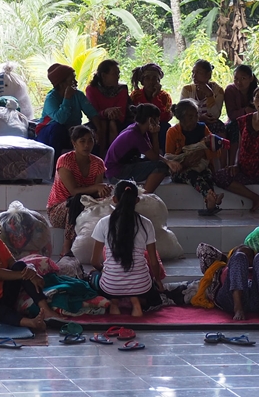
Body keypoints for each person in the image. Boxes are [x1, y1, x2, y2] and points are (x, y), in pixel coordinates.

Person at [89, 181, 165, 316]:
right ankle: (135, 300)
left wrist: (104, 270)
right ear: (137, 200)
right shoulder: (146, 224)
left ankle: (114, 301)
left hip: (110, 286)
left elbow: (94, 261)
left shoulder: (104, 223)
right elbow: (154, 262)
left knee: (93, 276)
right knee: (151, 293)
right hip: (142, 286)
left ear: (114, 199)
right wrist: (158, 280)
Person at [46, 126, 111, 254]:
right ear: (74, 143)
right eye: (82, 141)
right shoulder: (65, 161)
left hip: (85, 206)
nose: (87, 145)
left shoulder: (98, 163)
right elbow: (73, 191)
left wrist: (104, 190)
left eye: (90, 141)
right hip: (60, 210)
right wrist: (97, 188)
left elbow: (96, 193)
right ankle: (66, 246)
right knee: (75, 201)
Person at [164, 99, 224, 216]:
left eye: (196, 115)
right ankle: (210, 197)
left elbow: (217, 151)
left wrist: (202, 154)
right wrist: (186, 162)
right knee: (191, 174)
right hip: (181, 170)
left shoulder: (202, 128)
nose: (195, 119)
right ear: (181, 118)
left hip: (201, 167)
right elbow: (169, 159)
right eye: (191, 116)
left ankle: (210, 202)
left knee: (207, 175)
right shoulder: (172, 132)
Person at [104, 104, 179, 194]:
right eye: (157, 120)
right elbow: (154, 157)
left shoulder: (138, 129)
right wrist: (155, 135)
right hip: (116, 173)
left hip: (121, 167)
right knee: (160, 167)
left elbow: (152, 153)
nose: (159, 123)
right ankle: (144, 196)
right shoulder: (134, 135)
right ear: (151, 120)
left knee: (162, 163)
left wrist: (168, 161)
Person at [36, 64, 99, 157]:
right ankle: (55, 165)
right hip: (50, 133)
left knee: (90, 130)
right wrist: (67, 98)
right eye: (72, 80)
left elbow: (92, 114)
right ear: (62, 84)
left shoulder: (78, 95)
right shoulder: (51, 98)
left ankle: (94, 166)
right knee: (58, 128)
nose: (76, 82)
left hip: (71, 132)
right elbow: (60, 119)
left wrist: (99, 130)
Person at [211, 246, 259, 322]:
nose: (245, 258)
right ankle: (238, 308)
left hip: (256, 300)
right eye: (244, 256)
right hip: (230, 299)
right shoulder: (226, 269)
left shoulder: (258, 269)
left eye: (249, 256)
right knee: (239, 256)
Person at [84, 59, 130, 156]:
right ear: (104, 76)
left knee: (121, 128)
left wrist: (110, 116)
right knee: (92, 131)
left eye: (118, 73)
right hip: (98, 121)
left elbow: (121, 114)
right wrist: (105, 113)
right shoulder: (91, 89)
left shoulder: (122, 89)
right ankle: (96, 159)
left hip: (118, 121)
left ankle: (114, 158)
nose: (118, 76)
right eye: (114, 74)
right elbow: (93, 113)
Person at [129, 63, 172, 149]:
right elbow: (131, 115)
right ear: (142, 81)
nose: (151, 82)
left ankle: (163, 154)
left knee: (166, 126)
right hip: (141, 126)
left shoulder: (164, 96)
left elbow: (165, 117)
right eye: (147, 78)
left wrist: (155, 97)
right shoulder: (136, 95)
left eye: (155, 78)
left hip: (157, 126)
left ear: (159, 81)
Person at [180, 59, 226, 136]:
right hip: (191, 123)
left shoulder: (218, 91)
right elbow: (182, 114)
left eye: (198, 72)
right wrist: (200, 118)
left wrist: (209, 95)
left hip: (210, 125)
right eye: (193, 72)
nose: (194, 76)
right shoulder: (187, 90)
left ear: (208, 75)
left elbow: (215, 115)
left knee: (218, 126)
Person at [222, 64, 259, 145]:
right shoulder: (230, 90)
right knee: (236, 126)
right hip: (235, 124)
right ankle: (235, 157)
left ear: (251, 78)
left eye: (243, 78)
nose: (239, 82)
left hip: (254, 121)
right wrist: (245, 111)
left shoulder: (257, 91)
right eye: (236, 79)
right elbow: (231, 115)